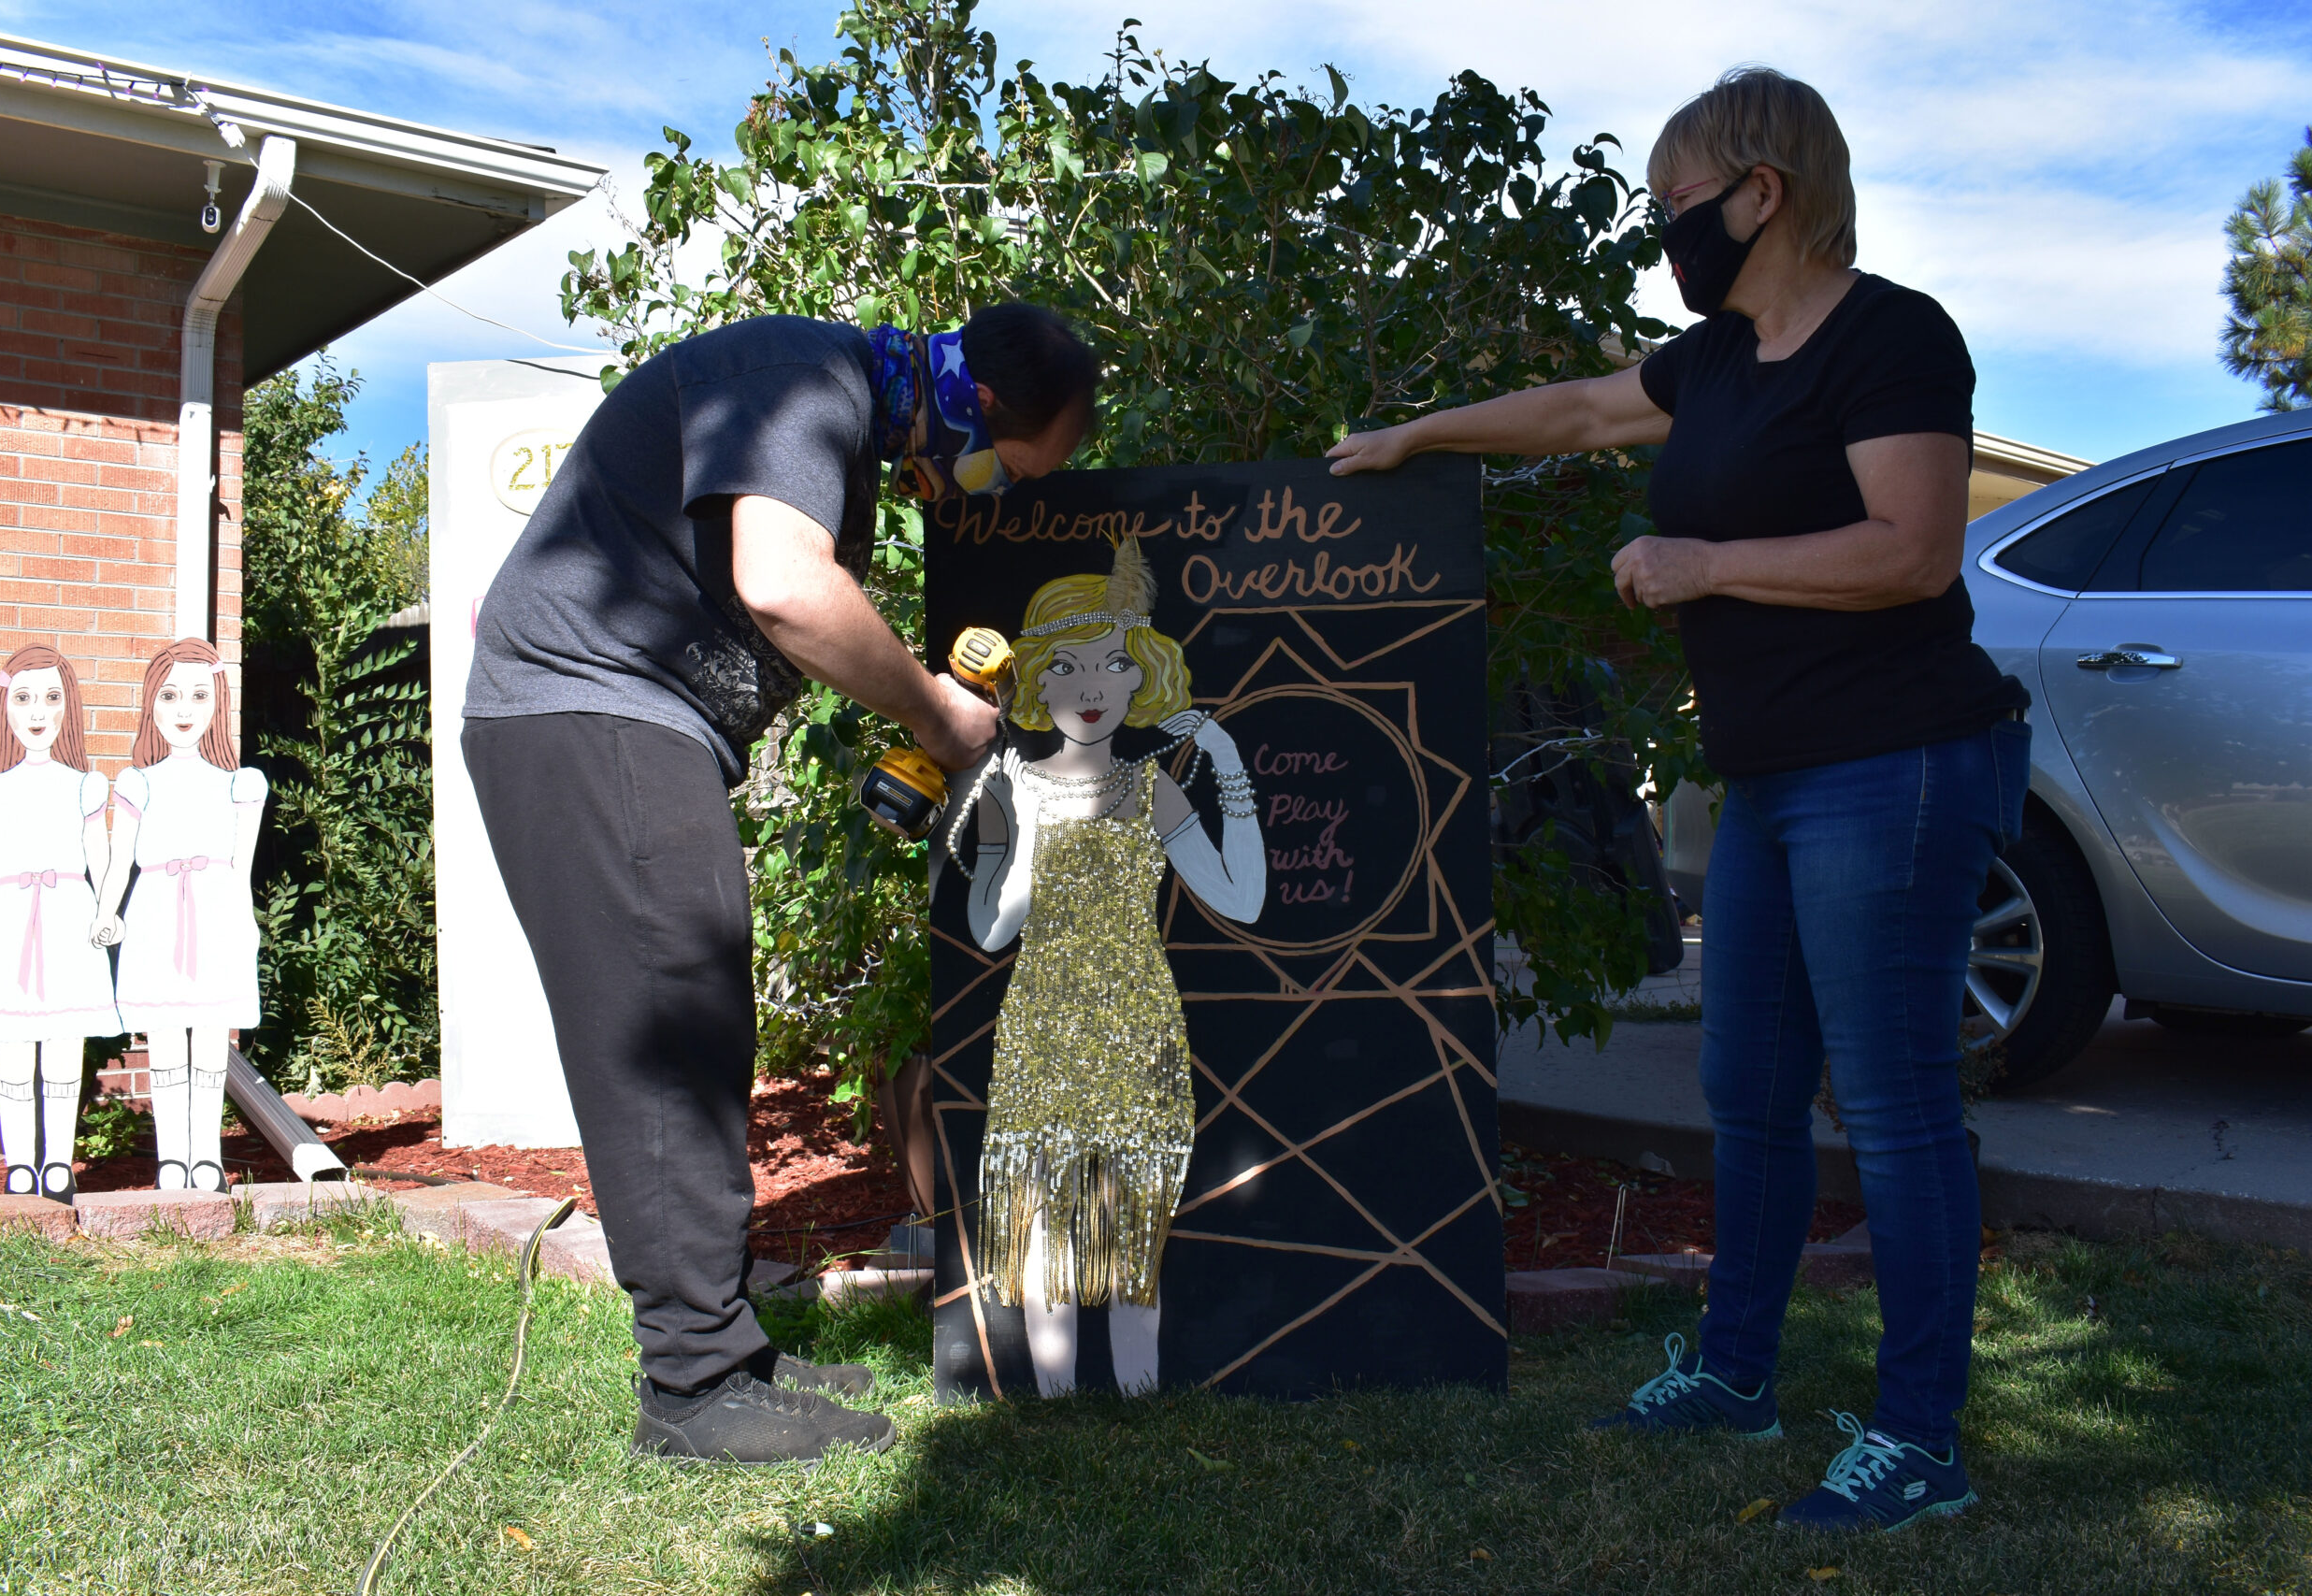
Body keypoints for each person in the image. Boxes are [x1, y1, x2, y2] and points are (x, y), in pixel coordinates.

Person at [1328, 67, 2029, 1531]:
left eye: (1676, 205)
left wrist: (1702, 562)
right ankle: (1735, 1374)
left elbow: (1911, 551)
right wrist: (1420, 436)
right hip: (1772, 777)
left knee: (1892, 1107)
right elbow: (1583, 410)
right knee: (1747, 1097)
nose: (1667, 234)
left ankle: (1921, 1439)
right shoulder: (1712, 360)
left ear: (1764, 192)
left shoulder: (1892, 337)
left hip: (1896, 763)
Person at [462, 304, 1098, 1465]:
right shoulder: (804, 379)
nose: (978, 499)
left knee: (700, 1021)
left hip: (615, 713)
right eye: (1004, 474)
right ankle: (695, 1388)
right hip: (589, 710)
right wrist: (939, 713)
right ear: (982, 407)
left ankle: (727, 1350)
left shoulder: (838, 408)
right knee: (669, 1025)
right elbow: (784, 586)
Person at [956, 535, 1265, 1396]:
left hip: (1139, 1027)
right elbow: (992, 933)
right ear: (1037, 680)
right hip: (1042, 1027)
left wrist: (1227, 767)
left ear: (1139, 677)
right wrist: (1020, 829)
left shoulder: (1149, 785)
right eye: (1066, 667)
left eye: (1111, 665)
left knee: (1131, 1236)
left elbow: (1242, 899)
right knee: (1046, 1230)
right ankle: (1054, 1410)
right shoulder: (1004, 791)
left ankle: (1140, 1402)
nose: (1090, 688)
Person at [0, 644, 122, 1204]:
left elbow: (103, 862)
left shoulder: (86, 786)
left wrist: (107, 913)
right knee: (14, 1053)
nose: (38, 712)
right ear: (6, 708)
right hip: (6, 928)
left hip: (69, 923)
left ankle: (59, 1165)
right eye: (24, 698)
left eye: (50, 697)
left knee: (65, 1052)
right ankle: (20, 1166)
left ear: (68, 706)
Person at [91, 638, 268, 1193]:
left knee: (213, 1045)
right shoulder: (136, 783)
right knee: (166, 1043)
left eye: (198, 694)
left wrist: (247, 923)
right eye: (170, 696)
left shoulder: (241, 785)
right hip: (155, 916)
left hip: (215, 913)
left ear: (217, 702)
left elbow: (241, 869)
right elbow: (121, 863)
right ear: (152, 705)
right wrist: (106, 912)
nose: (185, 710)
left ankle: (206, 1156)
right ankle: (172, 1158)